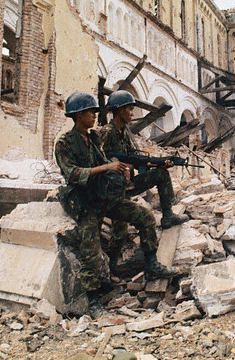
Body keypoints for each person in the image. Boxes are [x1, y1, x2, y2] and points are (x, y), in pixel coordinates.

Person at [55, 91, 179, 318]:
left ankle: (151, 265)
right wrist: (108, 167)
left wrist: (123, 169)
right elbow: (72, 174)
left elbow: (107, 162)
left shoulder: (93, 139)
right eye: (90, 112)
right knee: (91, 251)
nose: (95, 115)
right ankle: (93, 301)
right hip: (85, 203)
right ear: (78, 115)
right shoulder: (65, 142)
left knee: (145, 217)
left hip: (105, 196)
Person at [99, 90, 188, 261]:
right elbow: (99, 159)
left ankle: (168, 215)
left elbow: (136, 159)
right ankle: (111, 265)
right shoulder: (107, 132)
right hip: (112, 190)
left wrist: (157, 163)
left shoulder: (125, 132)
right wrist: (119, 165)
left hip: (127, 183)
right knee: (119, 233)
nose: (132, 113)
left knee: (161, 173)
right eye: (130, 109)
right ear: (120, 110)